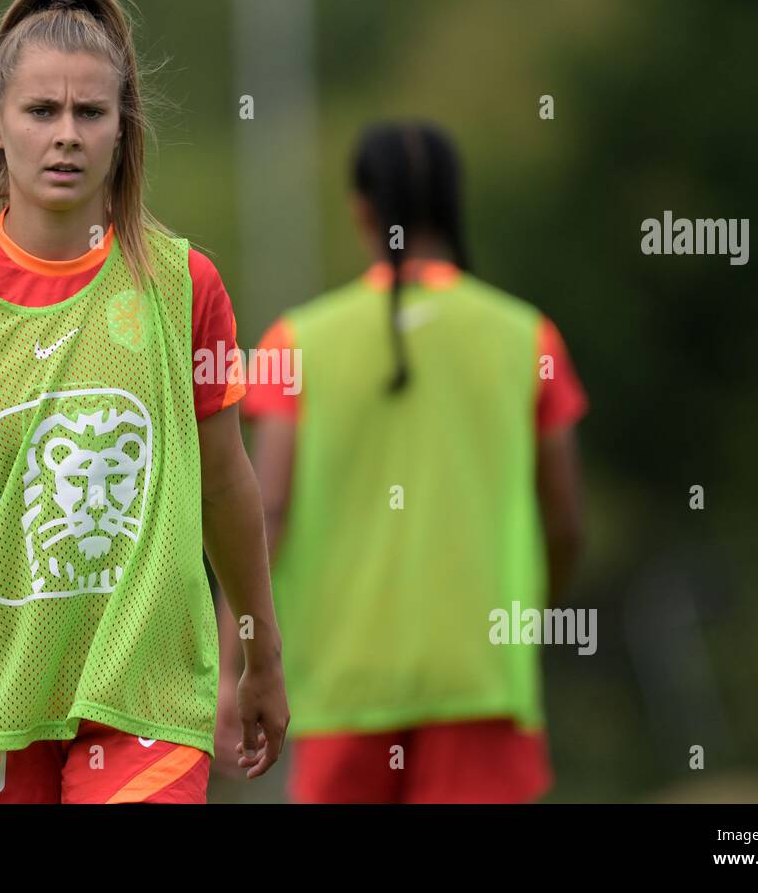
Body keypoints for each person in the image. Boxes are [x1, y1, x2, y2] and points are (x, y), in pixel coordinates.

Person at [0, 0, 287, 804]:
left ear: (122, 128)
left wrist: (261, 650)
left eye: (91, 112)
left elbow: (226, 482)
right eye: (41, 111)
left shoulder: (183, 286)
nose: (67, 134)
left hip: (147, 693)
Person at [226, 121, 586, 803]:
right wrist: (528, 616)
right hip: (479, 679)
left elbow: (264, 514)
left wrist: (230, 663)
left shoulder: (294, 342)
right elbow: (565, 523)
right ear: (454, 204)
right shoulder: (528, 336)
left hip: (340, 684)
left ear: (361, 208)